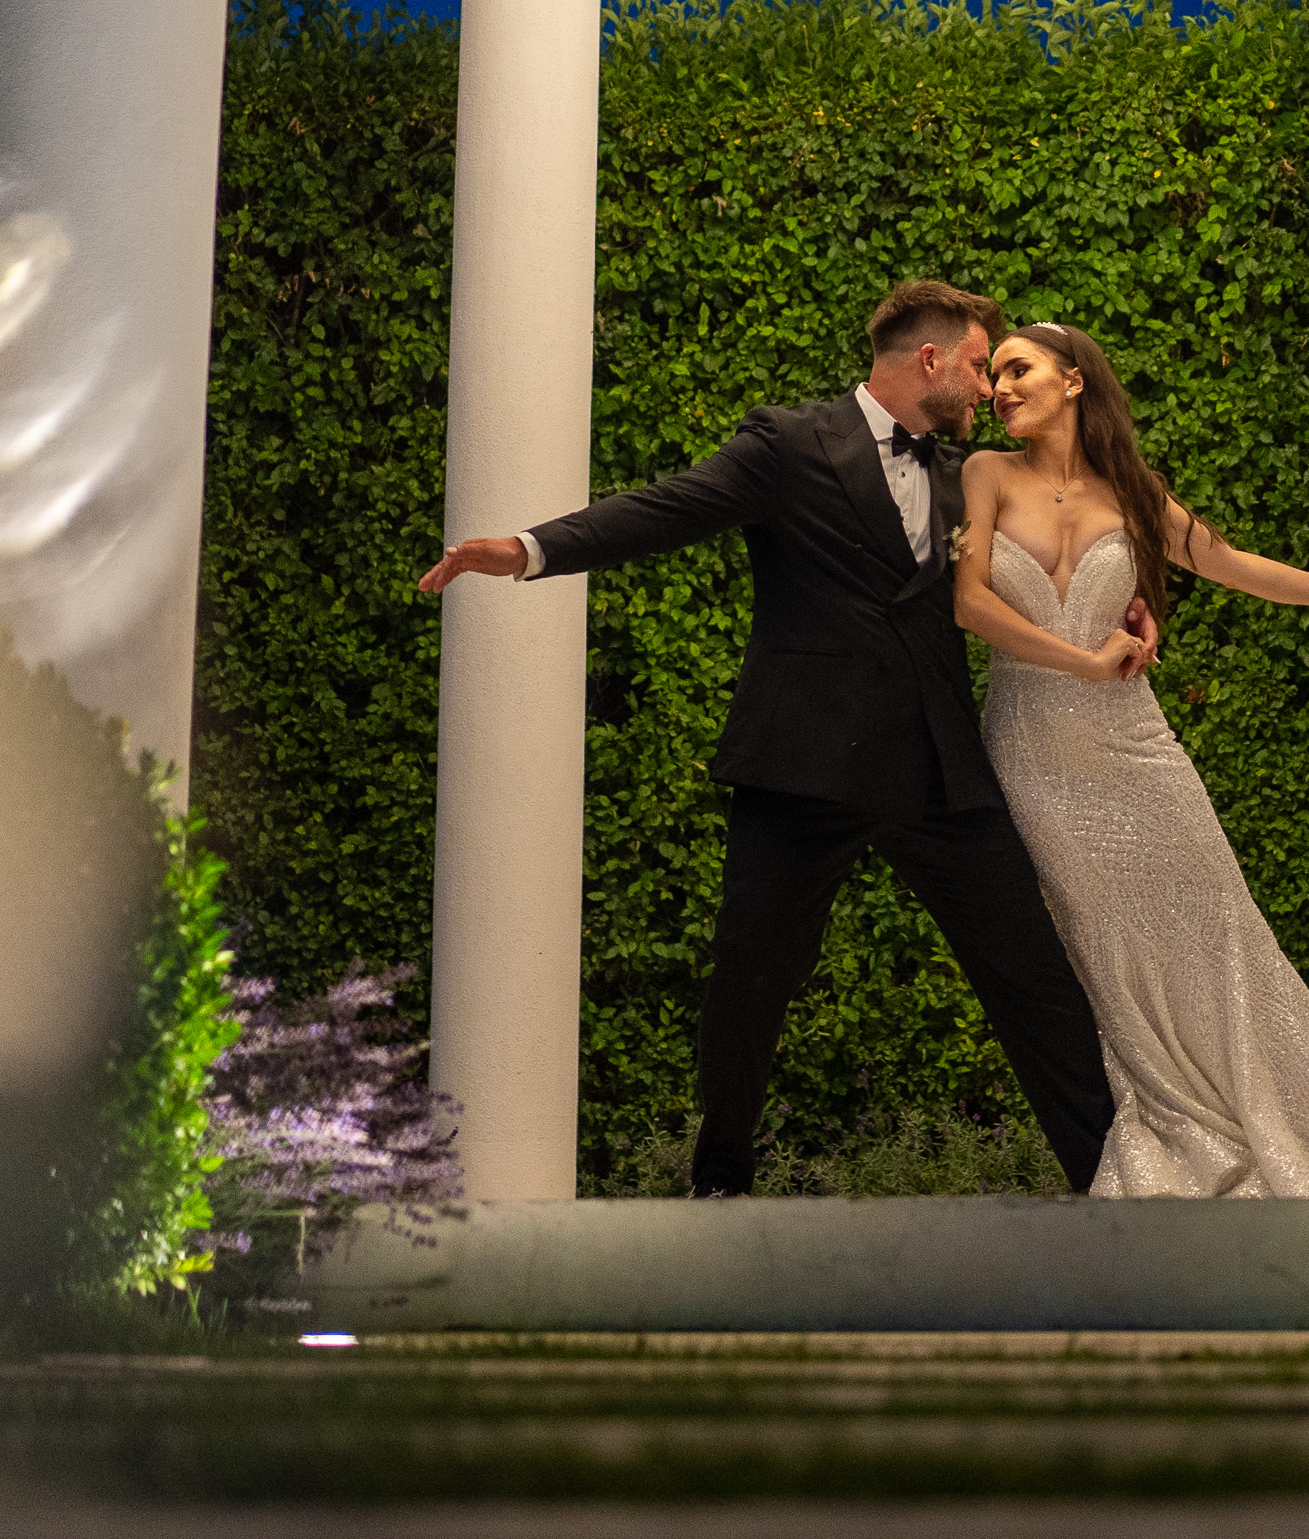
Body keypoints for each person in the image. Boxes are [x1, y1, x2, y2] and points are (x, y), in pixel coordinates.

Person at [416, 279, 1134, 1197]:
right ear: (929, 359)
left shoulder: (971, 476)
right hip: (804, 768)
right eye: (976, 362)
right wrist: (528, 549)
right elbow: (667, 507)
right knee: (751, 978)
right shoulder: (790, 443)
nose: (988, 386)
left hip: (939, 769)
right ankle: (719, 1180)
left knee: (1033, 976)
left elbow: (1065, 543)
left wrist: (1132, 600)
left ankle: (1114, 1181)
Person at [954, 319, 1309, 1198]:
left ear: (1074, 380)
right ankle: (1180, 1126)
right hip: (1034, 756)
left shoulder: (1135, 491)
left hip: (1138, 752)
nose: (1000, 388)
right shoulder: (984, 473)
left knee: (1222, 926)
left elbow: (1229, 562)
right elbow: (969, 603)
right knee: (1103, 944)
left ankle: (1298, 1143)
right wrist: (1083, 661)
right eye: (996, 376)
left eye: (1018, 369)